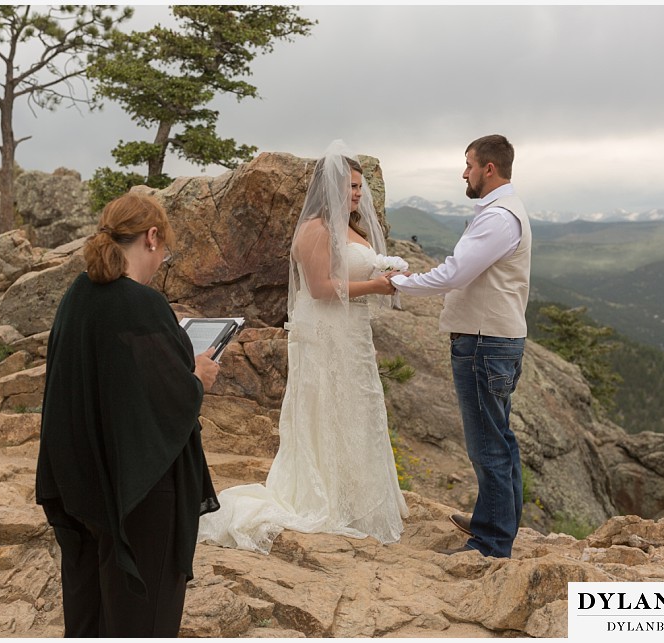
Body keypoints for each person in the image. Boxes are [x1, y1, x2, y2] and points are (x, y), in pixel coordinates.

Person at [197, 140, 409, 553]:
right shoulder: (315, 231)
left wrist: (384, 277)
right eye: (350, 187)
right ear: (329, 188)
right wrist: (377, 284)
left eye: (359, 187)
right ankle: (326, 495)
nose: (357, 194)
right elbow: (320, 288)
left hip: (351, 333)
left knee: (356, 406)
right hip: (326, 334)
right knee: (328, 408)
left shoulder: (349, 229)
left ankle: (358, 497)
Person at [35, 193, 221, 637]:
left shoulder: (76, 296)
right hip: (141, 493)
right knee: (144, 617)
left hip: (84, 486)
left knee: (92, 616)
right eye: (165, 250)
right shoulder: (143, 304)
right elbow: (170, 399)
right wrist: (198, 376)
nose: (162, 260)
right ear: (152, 238)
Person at [390, 134, 531, 559]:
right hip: (496, 338)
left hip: (485, 342)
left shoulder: (498, 218)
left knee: (488, 443)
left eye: (468, 164)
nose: (463, 172)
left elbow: (454, 273)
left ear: (489, 168)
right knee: (499, 439)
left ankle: (490, 543)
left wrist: (398, 283)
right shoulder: (504, 211)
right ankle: (494, 520)